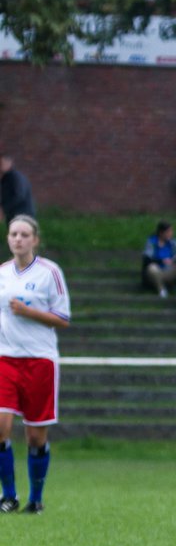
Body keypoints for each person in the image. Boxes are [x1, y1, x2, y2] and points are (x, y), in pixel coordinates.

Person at [0, 215, 68, 514]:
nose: (18, 239)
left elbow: (63, 319)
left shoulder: (49, 272)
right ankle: (9, 497)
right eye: (13, 234)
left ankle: (36, 499)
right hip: (6, 358)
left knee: (35, 436)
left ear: (35, 239)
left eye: (24, 234)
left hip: (40, 360)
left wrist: (28, 312)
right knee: (0, 427)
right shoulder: (1, 273)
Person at [142, 220, 176, 298]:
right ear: (161, 233)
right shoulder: (152, 242)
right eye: (168, 231)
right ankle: (161, 290)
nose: (171, 233)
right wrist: (161, 261)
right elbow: (147, 260)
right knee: (152, 268)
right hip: (157, 273)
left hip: (170, 271)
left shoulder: (172, 242)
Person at [0, 155, 36, 222]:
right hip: (13, 214)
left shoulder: (15, 177)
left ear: (10, 163)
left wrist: (4, 209)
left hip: (22, 214)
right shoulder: (5, 178)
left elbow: (19, 196)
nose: (1, 165)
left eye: (3, 163)